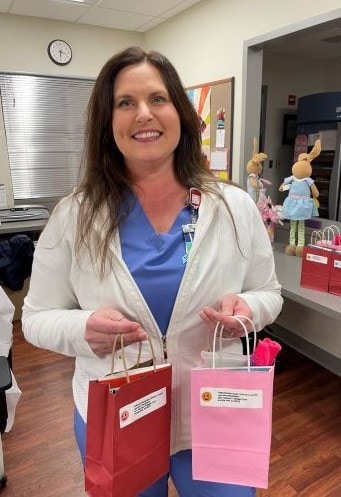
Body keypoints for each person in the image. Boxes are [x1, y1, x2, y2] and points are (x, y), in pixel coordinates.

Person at [22, 46, 283, 497]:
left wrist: (248, 308)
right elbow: (35, 317)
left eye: (158, 99)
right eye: (126, 103)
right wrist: (83, 327)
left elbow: (269, 292)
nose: (144, 114)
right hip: (119, 413)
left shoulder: (234, 206)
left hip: (215, 412)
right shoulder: (73, 216)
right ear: (108, 122)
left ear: (179, 113)